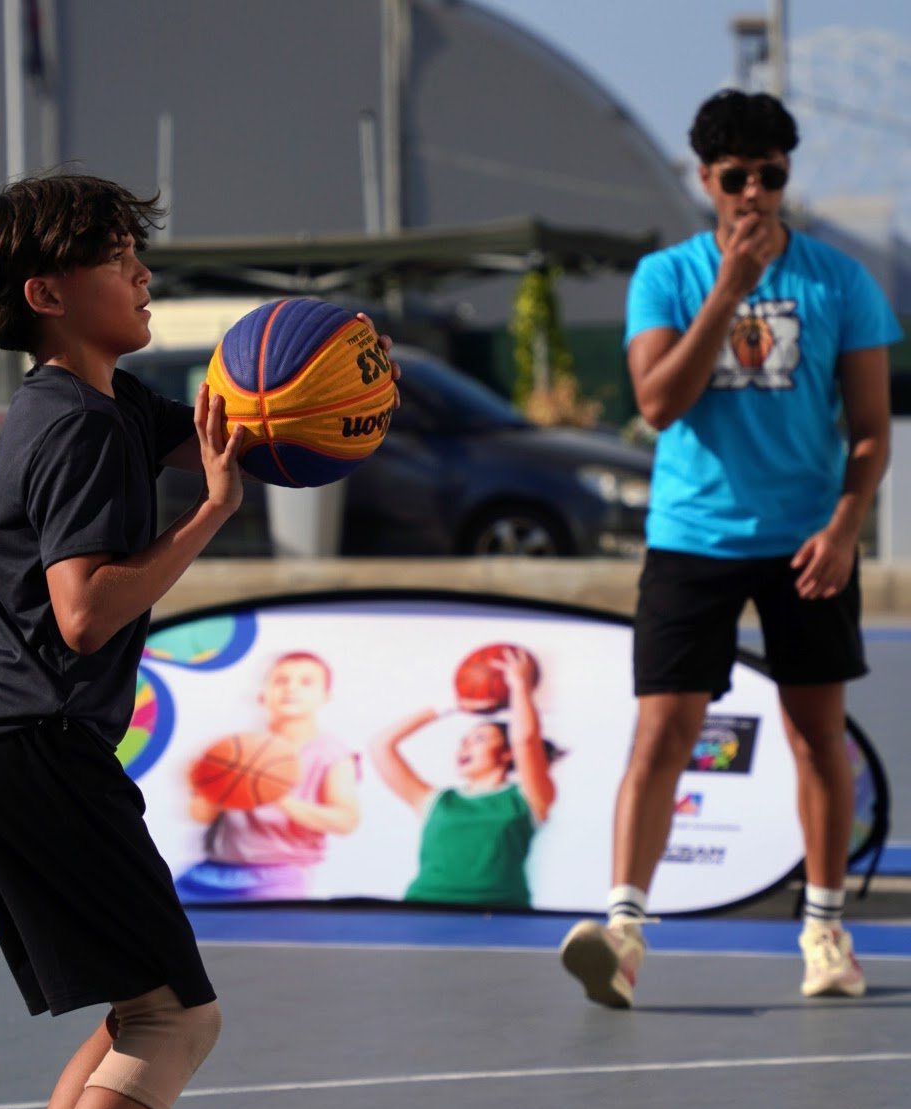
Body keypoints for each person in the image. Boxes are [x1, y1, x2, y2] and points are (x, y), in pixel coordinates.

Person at [0, 173, 398, 1109]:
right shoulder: (81, 428)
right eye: (118, 256)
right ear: (48, 294)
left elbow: (232, 421)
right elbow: (84, 613)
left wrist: (333, 385)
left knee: (137, 1013)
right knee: (180, 1020)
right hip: (31, 740)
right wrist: (208, 518)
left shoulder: (95, 403)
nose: (143, 272)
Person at [559, 90, 902, 1010]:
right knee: (663, 732)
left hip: (806, 539)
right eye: (738, 176)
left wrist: (846, 526)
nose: (756, 192)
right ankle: (623, 933)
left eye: (772, 175)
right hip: (694, 535)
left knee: (816, 736)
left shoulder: (841, 282)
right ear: (707, 181)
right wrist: (728, 291)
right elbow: (658, 403)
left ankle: (826, 930)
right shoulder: (666, 277)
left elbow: (871, 428)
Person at [370, 648, 561, 909]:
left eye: (479, 739)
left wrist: (519, 687)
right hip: (423, 909)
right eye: (463, 742)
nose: (465, 747)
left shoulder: (528, 798)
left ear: (507, 753)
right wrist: (450, 705)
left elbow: (525, 740)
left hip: (502, 914)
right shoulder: (435, 801)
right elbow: (380, 746)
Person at [175, 649, 360, 902]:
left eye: (306, 682)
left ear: (326, 697)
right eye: (281, 680)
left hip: (281, 874)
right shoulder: (236, 750)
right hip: (216, 868)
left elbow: (346, 821)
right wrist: (202, 788)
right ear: (263, 695)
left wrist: (275, 793)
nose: (291, 688)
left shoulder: (333, 754)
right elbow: (200, 815)